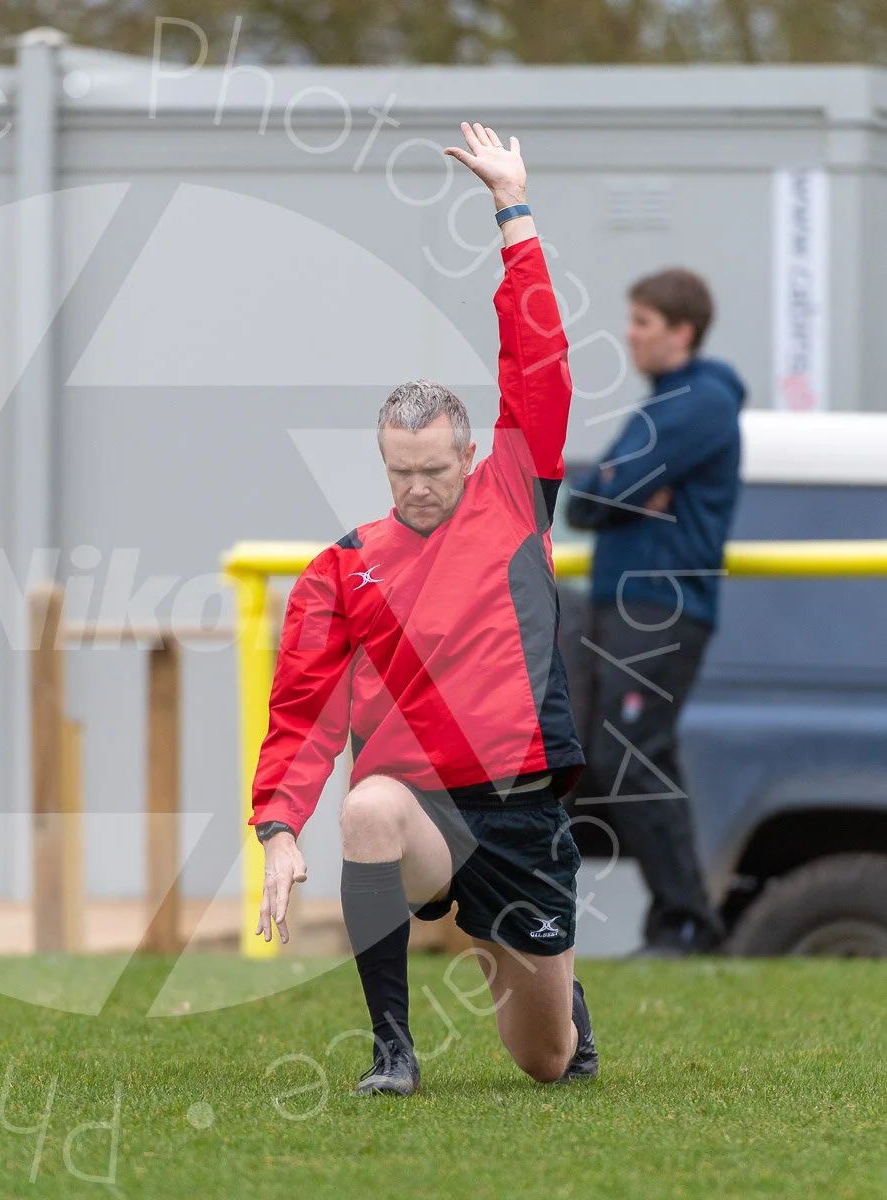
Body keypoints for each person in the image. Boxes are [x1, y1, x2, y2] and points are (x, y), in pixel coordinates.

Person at [251, 123, 596, 1096]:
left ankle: (554, 986)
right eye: (399, 473)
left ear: (466, 454)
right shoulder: (345, 567)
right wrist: (279, 826)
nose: (416, 489)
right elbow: (303, 708)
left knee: (545, 1061)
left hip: (520, 806)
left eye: (434, 470)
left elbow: (541, 363)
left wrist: (512, 211)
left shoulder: (512, 495)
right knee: (366, 807)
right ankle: (391, 1051)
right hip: (418, 811)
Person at [565, 269, 745, 956]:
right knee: (632, 757)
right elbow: (586, 502)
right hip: (627, 604)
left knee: (630, 757)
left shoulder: (700, 404)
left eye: (642, 321)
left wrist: (618, 490)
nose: (628, 333)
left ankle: (688, 922)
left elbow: (607, 493)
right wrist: (615, 489)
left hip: (662, 608)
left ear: (682, 331)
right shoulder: (666, 405)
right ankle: (683, 923)